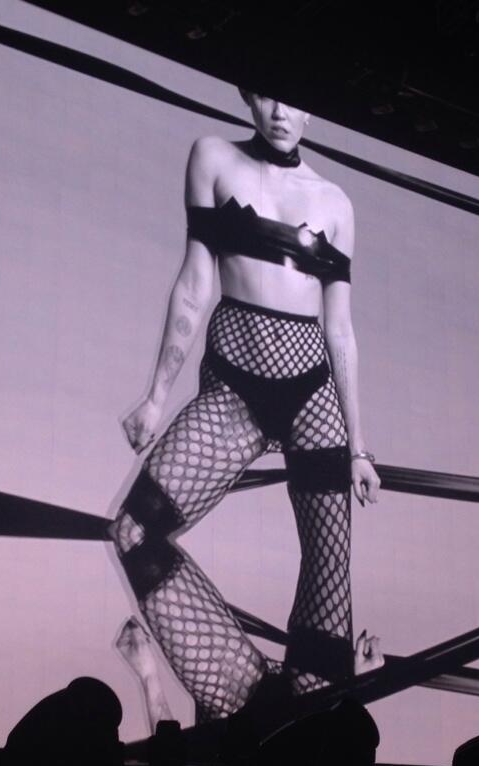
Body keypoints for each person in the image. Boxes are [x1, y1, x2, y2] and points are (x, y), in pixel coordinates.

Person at [111, 89, 383, 733]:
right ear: (246, 94)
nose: (281, 111)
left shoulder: (336, 203)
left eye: (296, 98)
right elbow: (194, 283)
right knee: (134, 532)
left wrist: (359, 448)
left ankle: (303, 721)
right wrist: (156, 396)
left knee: (328, 569)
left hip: (313, 394)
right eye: (266, 94)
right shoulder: (213, 158)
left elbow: (340, 329)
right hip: (236, 388)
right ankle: (259, 706)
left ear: (313, 109)